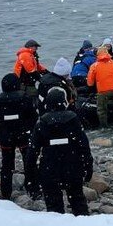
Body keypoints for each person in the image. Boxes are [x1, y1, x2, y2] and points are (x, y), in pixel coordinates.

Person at [27, 87, 92, 215]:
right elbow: (84, 145)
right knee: (78, 202)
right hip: (72, 166)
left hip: (50, 168)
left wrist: (31, 179)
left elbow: (32, 153)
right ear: (64, 102)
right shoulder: (73, 119)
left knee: (54, 208)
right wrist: (88, 166)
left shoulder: (42, 123)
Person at [0, 73, 38, 200]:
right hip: (23, 135)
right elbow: (33, 117)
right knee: (29, 163)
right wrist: (34, 134)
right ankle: (33, 190)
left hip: (6, 137)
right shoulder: (25, 98)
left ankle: (6, 193)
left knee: (7, 165)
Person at [87, 46, 113, 127]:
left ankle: (104, 126)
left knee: (101, 110)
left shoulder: (94, 66)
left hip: (103, 91)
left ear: (97, 55)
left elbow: (90, 83)